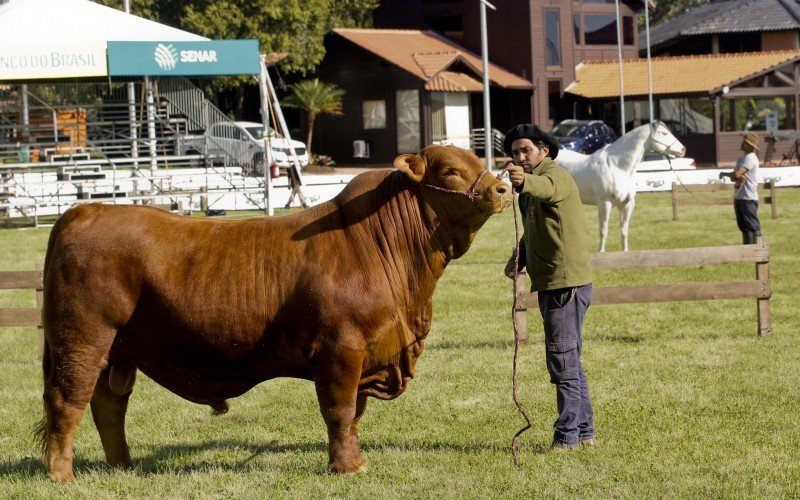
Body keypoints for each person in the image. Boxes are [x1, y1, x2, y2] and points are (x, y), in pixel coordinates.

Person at [502, 124, 595, 452]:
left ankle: (567, 436)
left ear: (544, 150)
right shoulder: (532, 186)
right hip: (553, 282)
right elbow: (536, 226)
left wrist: (524, 180)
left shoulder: (556, 176)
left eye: (526, 150)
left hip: (566, 284)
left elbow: (549, 189)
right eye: (514, 152)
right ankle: (585, 433)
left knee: (562, 359)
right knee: (569, 358)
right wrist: (521, 256)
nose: (520, 157)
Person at [719, 131, 761, 244]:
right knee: (744, 226)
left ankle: (759, 251)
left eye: (744, 142)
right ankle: (748, 252)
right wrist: (734, 175)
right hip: (740, 197)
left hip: (748, 197)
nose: (742, 143)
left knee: (752, 225)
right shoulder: (742, 159)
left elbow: (737, 174)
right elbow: (736, 177)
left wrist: (726, 174)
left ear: (749, 145)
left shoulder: (750, 158)